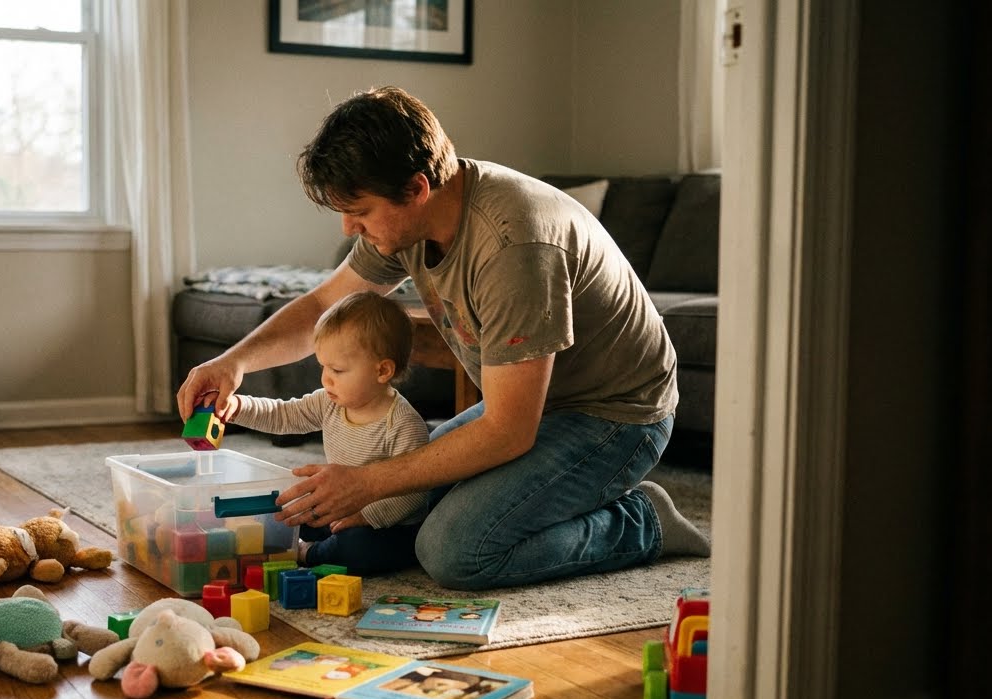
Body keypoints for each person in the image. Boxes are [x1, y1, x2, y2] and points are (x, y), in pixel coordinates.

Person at [177, 85, 709, 591]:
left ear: (416, 189)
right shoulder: (416, 218)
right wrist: (234, 363)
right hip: (531, 403)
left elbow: (507, 432)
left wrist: (368, 483)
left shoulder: (513, 247)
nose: (348, 229)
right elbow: (323, 306)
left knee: (454, 549)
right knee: (403, 507)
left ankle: (642, 521)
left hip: (615, 416)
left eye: (359, 212)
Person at [216, 290, 430, 575]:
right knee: (288, 512)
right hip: (338, 510)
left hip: (387, 527)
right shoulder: (328, 402)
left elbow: (414, 494)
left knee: (356, 547)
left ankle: (309, 553)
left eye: (337, 370)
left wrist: (365, 515)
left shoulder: (403, 424)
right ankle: (304, 544)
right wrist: (239, 407)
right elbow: (283, 415)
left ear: (382, 371)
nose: (325, 378)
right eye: (323, 367)